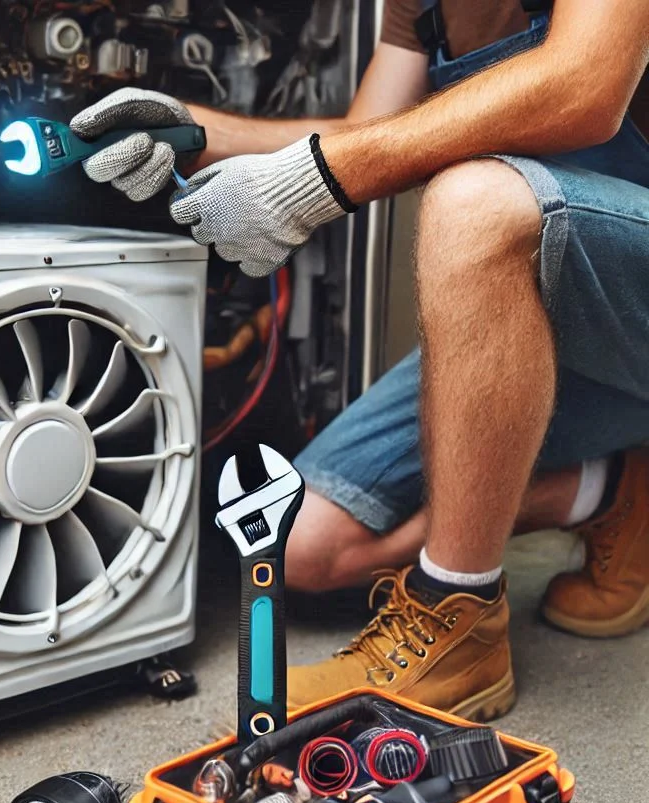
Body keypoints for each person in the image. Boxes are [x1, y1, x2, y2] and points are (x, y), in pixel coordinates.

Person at [70, 0, 649, 720]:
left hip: (632, 297)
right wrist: (198, 135)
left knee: (474, 203)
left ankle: (459, 611)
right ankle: (614, 489)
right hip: (546, 321)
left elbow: (583, 87)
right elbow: (369, 135)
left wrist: (314, 183)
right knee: (302, 544)